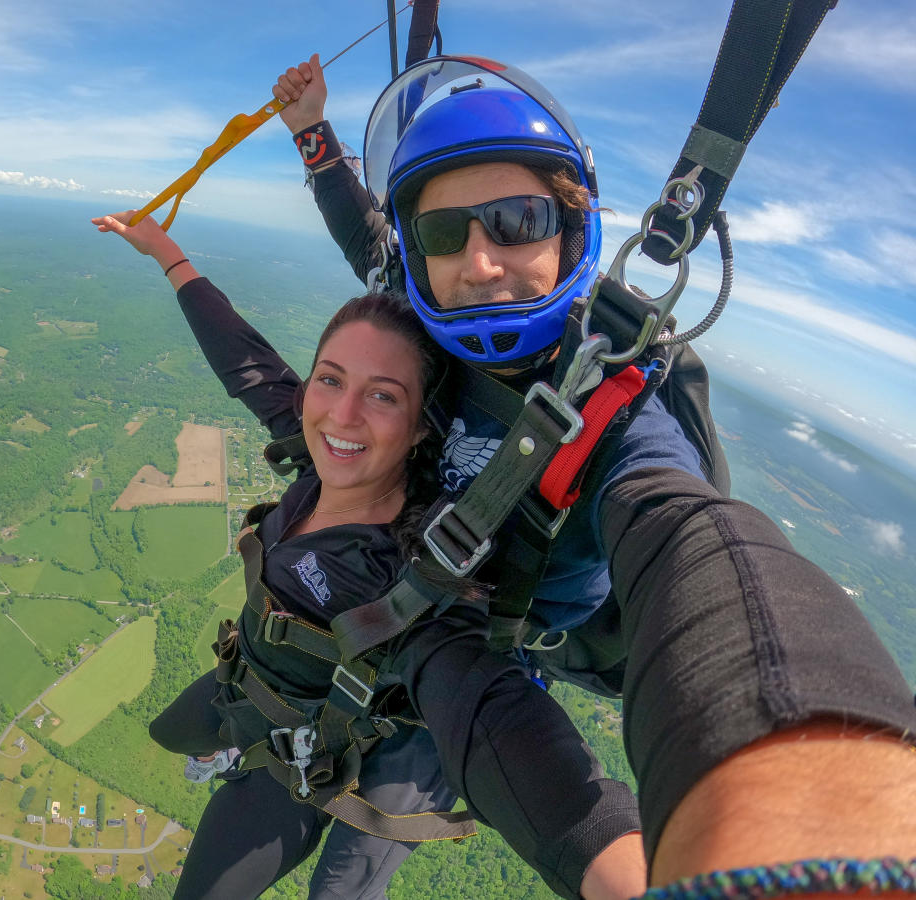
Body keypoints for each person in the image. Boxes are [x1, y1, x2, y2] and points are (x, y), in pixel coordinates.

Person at [271, 53, 916, 893]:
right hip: (421, 606)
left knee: (354, 870)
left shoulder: (614, 394)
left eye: (514, 220)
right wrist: (311, 132)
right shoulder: (418, 326)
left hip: (522, 640)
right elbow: (362, 233)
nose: (479, 263)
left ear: (571, 229)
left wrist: (801, 769)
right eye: (442, 233)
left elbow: (685, 531)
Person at [92, 210, 649, 899]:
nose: (342, 415)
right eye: (329, 380)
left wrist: (622, 869)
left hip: (307, 758)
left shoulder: (413, 584)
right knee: (169, 732)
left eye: (382, 396)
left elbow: (497, 719)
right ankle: (220, 745)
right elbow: (241, 358)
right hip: (246, 686)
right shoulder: (313, 461)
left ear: (420, 427)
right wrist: (167, 253)